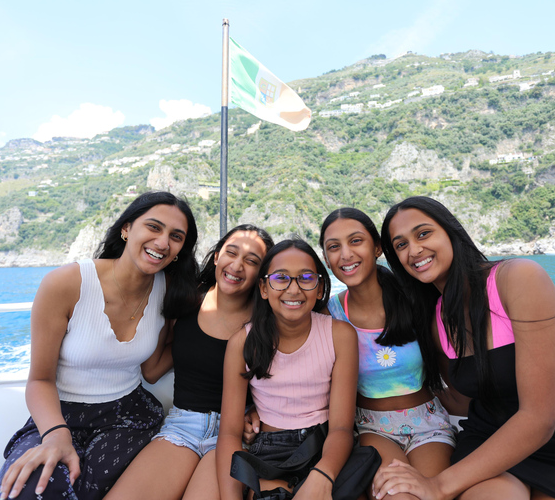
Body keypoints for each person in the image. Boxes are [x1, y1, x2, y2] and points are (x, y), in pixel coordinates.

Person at [373, 196, 555, 500]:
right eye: (400, 245)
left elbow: (539, 418)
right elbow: (460, 399)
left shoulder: (518, 278)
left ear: (451, 233)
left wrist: (438, 485)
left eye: (424, 233)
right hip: (489, 442)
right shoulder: (436, 318)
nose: (414, 250)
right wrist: (379, 407)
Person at [0, 191, 201, 500]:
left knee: (88, 490)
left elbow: (153, 370)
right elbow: (39, 380)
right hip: (60, 414)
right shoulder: (66, 284)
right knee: (29, 490)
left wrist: (200, 330)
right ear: (126, 228)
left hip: (128, 416)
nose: (162, 242)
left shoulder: (169, 291)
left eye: (176, 236)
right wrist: (55, 435)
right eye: (153, 227)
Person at [105, 224, 274, 500]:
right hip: (182, 426)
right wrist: (164, 313)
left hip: (235, 435)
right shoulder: (187, 300)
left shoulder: (266, 322)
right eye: (231, 253)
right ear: (217, 256)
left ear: (261, 274)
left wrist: (256, 409)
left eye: (251, 261)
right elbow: (152, 370)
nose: (237, 265)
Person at [319, 208, 456, 500]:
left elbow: (451, 367)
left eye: (356, 241)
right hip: (372, 427)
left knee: (431, 494)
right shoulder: (329, 314)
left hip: (428, 422)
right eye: (334, 247)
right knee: (398, 495)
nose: (345, 254)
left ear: (378, 247)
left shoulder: (416, 300)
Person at [217, 239, 360, 500]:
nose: (293, 289)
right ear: (263, 287)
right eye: (281, 278)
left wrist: (323, 475)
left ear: (319, 289)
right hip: (271, 452)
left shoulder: (340, 335)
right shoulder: (242, 342)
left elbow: (341, 427)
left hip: (327, 445)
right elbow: (228, 433)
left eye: (306, 278)